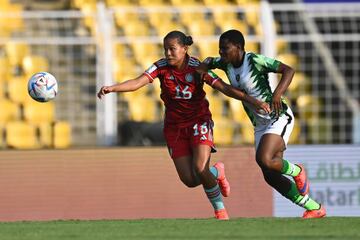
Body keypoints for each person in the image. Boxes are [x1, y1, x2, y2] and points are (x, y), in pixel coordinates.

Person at [97, 30, 271, 220]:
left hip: (199, 121)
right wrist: (113, 88)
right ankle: (217, 171)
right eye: (165, 50)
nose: (168, 54)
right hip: (174, 128)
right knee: (189, 180)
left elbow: (225, 88)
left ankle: (220, 211)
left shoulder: (198, 68)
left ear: (184, 48)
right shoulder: (161, 67)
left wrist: (253, 100)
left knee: (199, 168)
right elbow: (138, 82)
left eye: (172, 49)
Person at [199, 29, 326, 219]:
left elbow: (288, 70)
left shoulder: (255, 61)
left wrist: (277, 94)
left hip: (278, 116)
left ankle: (297, 171)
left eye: (225, 49)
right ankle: (314, 207)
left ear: (239, 47)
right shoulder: (225, 63)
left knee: (264, 159)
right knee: (270, 174)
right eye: (220, 49)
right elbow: (208, 62)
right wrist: (204, 64)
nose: (221, 53)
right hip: (260, 123)